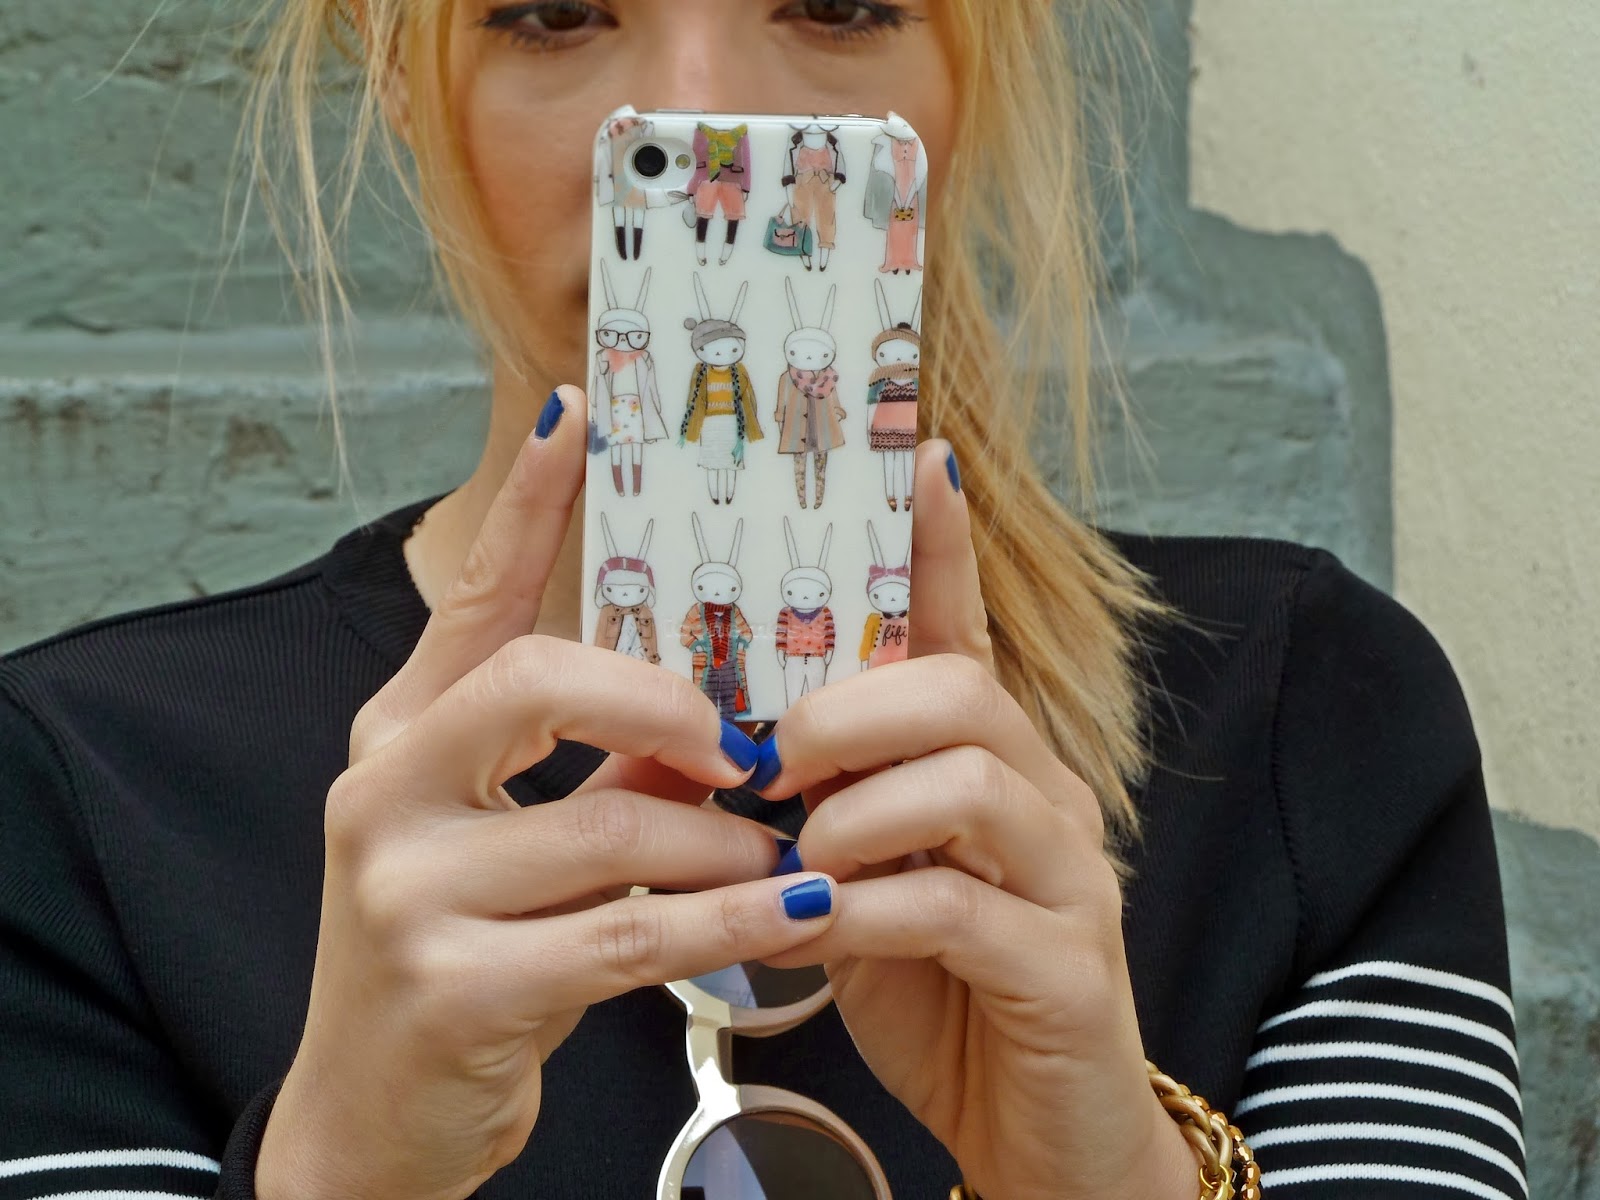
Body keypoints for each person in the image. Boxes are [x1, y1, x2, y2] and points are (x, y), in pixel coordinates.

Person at [0, 4, 1525, 1200]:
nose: (702, 118)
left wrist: (1115, 1178)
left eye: (839, 2)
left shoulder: (1307, 723)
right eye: (553, 11)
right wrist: (341, 1170)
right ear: (397, 71)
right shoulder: (83, 797)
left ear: (971, 70)